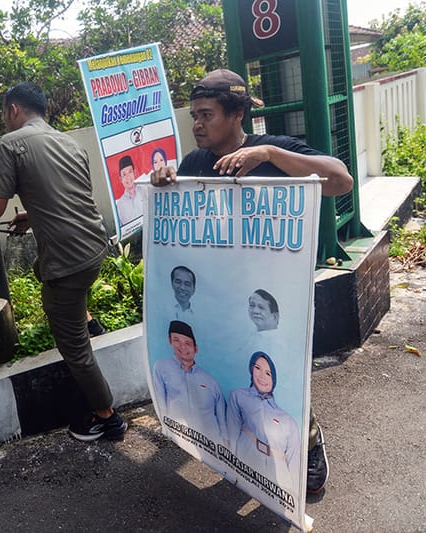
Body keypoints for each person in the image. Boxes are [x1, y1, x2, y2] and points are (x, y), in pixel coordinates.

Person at [151, 68, 352, 493]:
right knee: (233, 374)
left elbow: (340, 180)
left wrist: (269, 155)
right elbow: (179, 210)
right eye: (194, 115)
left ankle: (308, 442)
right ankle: (243, 449)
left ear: (237, 114)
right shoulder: (196, 162)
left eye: (207, 115)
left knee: (280, 372)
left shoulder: (274, 151)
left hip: (269, 300)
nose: (197, 124)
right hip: (222, 300)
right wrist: (164, 182)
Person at [0, 82, 127, 442]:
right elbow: (69, 197)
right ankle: (88, 320)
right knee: (49, 277)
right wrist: (31, 216)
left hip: (67, 260)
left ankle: (106, 417)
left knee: (73, 346)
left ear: (13, 109)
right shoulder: (70, 143)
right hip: (95, 245)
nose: (4, 120)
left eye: (4, 113)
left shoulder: (11, 144)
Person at [226, 351, 301, 490]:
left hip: (277, 476)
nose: (262, 376)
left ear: (274, 380)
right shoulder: (238, 396)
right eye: (258, 368)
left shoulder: (288, 421)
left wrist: (293, 492)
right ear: (251, 369)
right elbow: (231, 433)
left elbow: (294, 461)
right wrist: (231, 467)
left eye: (268, 373)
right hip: (245, 462)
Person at [152, 320, 226, 444]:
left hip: (209, 441)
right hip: (179, 435)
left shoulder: (210, 381)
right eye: (176, 340)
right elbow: (160, 401)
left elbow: (222, 418)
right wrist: (167, 429)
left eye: (187, 343)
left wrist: (224, 442)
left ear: (195, 349)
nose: (182, 347)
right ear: (169, 340)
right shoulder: (161, 367)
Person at [114, 155, 147, 225]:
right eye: (124, 174)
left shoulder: (146, 190)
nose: (128, 177)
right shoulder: (119, 206)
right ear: (120, 179)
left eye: (130, 172)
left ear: (134, 173)